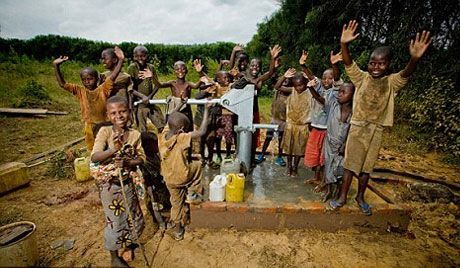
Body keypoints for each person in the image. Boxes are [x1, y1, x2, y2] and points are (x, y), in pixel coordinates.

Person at [329, 20, 432, 215]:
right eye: (372, 63)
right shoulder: (361, 78)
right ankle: (342, 197)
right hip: (358, 128)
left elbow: (406, 74)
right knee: (350, 165)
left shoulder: (392, 82)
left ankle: (360, 196)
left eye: (381, 63)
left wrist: (415, 59)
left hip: (376, 129)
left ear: (388, 65)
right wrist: (344, 45)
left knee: (367, 168)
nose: (376, 67)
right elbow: (349, 64)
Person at [90, 96, 145, 267]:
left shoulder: (135, 134)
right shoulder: (105, 132)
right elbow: (95, 156)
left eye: (122, 111)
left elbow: (141, 158)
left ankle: (128, 245)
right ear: (108, 115)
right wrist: (114, 149)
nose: (119, 116)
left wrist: (129, 162)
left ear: (129, 112)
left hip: (128, 184)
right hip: (110, 186)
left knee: (132, 216)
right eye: (113, 113)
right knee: (114, 221)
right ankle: (114, 257)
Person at [52, 46, 125, 151]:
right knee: (93, 149)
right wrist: (56, 66)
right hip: (90, 126)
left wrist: (121, 60)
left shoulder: (103, 89)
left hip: (105, 124)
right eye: (84, 80)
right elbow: (62, 84)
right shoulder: (80, 91)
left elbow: (113, 76)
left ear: (97, 79)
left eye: (90, 79)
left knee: (110, 147)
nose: (87, 82)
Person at [158, 100, 211, 241]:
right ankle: (194, 193)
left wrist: (181, 103)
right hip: (183, 177)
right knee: (198, 164)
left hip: (169, 179)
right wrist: (206, 109)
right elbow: (202, 131)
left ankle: (178, 232)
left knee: (176, 203)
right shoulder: (181, 138)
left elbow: (171, 115)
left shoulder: (162, 135)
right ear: (181, 130)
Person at [299, 49, 343, 186]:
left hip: (327, 130)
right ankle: (316, 177)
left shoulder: (335, 92)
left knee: (325, 156)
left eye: (330, 78)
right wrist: (303, 65)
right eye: (324, 78)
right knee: (315, 155)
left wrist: (310, 89)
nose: (326, 80)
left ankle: (325, 181)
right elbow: (312, 78)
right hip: (316, 128)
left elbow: (321, 100)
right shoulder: (320, 86)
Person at [233, 45, 282, 166]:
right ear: (249, 65)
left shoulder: (259, 79)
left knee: (253, 136)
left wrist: (272, 58)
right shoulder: (242, 74)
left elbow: (270, 73)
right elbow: (231, 67)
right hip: (239, 111)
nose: (255, 67)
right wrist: (234, 52)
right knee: (238, 134)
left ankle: (250, 158)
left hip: (253, 111)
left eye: (258, 66)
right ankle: (239, 155)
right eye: (253, 65)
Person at [307, 81, 355, 202]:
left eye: (344, 92)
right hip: (329, 144)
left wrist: (345, 144)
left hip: (343, 146)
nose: (340, 94)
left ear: (353, 95)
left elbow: (353, 129)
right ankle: (328, 190)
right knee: (328, 167)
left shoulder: (354, 112)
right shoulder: (333, 106)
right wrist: (311, 89)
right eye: (339, 91)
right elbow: (320, 99)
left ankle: (339, 192)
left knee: (341, 169)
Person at [155, 60, 205, 132]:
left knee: (188, 132)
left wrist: (200, 72)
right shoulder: (172, 83)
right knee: (172, 130)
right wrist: (153, 76)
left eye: (183, 69)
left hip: (186, 111)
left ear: (186, 71)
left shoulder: (188, 84)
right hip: (174, 111)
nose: (180, 71)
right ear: (174, 71)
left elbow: (197, 85)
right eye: (177, 69)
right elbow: (159, 85)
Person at [279, 68, 312, 176]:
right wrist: (284, 77)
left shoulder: (310, 91)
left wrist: (310, 76)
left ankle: (295, 167)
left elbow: (320, 85)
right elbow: (277, 87)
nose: (299, 88)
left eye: (301, 85)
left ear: (306, 83)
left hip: (303, 126)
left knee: (299, 149)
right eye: (296, 85)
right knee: (289, 148)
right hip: (290, 125)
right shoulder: (292, 91)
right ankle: (289, 166)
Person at [128, 45, 165, 133]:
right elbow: (130, 88)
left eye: (143, 56)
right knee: (142, 130)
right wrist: (142, 97)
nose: (140, 58)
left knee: (161, 126)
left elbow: (157, 85)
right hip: (139, 104)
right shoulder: (132, 68)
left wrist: (149, 97)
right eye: (137, 56)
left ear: (147, 56)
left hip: (150, 103)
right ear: (134, 57)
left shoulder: (151, 67)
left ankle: (160, 143)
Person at [256, 76, 291, 166]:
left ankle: (279, 156)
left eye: (287, 80)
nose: (285, 81)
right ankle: (262, 154)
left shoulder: (291, 92)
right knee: (268, 137)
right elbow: (277, 85)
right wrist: (284, 77)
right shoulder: (277, 92)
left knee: (281, 140)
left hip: (284, 121)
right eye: (283, 79)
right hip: (274, 119)